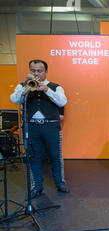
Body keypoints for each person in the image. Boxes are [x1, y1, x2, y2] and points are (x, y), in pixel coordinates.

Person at [10, 59, 68, 198]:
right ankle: (37, 186)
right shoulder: (23, 86)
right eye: (33, 71)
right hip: (31, 126)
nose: (36, 74)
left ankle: (60, 183)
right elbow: (15, 99)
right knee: (33, 157)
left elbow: (62, 101)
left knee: (55, 156)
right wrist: (25, 86)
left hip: (51, 125)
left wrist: (46, 89)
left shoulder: (55, 87)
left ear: (46, 72)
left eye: (39, 71)